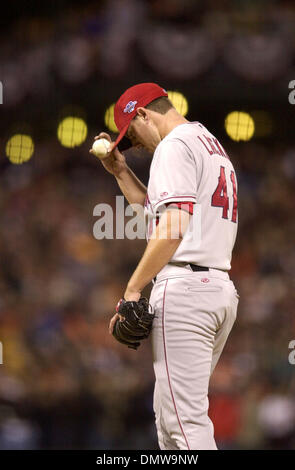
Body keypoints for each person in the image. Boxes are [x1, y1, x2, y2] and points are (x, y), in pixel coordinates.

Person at [90, 82, 239, 450]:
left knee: (183, 424)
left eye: (132, 134)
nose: (133, 145)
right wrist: (121, 172)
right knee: (170, 426)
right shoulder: (207, 142)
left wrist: (132, 289)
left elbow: (171, 228)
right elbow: (160, 214)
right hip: (215, 290)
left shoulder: (173, 146)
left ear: (142, 113)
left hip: (186, 291)